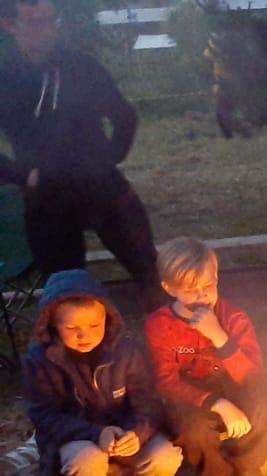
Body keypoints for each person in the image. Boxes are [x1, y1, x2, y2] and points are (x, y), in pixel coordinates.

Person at [0, 0, 165, 310]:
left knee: (149, 272)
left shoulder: (81, 67)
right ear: (9, 25)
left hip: (101, 184)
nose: (49, 30)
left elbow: (124, 115)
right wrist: (22, 175)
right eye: (37, 23)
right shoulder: (5, 80)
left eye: (52, 20)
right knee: (66, 290)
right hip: (47, 193)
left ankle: (170, 330)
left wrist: (109, 158)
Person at [22, 270, 182, 476]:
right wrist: (96, 434)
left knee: (166, 455)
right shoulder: (42, 361)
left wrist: (137, 432)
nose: (84, 335)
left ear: (108, 319)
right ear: (53, 325)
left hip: (125, 431)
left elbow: (146, 400)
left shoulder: (125, 351)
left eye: (94, 325)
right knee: (86, 461)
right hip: (76, 437)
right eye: (72, 327)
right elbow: (44, 416)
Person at [145, 238, 267, 476]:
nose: (202, 296)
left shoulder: (233, 317)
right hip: (190, 396)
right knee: (193, 429)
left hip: (234, 384)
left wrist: (220, 338)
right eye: (190, 290)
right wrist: (216, 403)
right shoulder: (160, 325)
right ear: (169, 288)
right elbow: (166, 381)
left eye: (208, 286)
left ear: (217, 278)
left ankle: (248, 468)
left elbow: (252, 375)